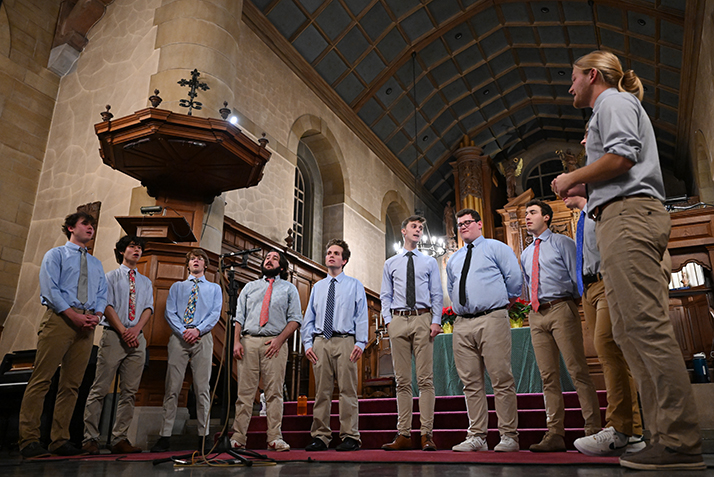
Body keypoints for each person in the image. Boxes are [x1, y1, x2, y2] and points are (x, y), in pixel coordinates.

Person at [552, 49, 704, 470]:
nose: (571, 86)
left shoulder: (613, 102)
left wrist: (572, 177)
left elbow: (622, 157)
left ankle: (679, 441)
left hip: (629, 216)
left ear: (594, 75)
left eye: (574, 77)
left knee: (646, 330)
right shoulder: (609, 105)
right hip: (617, 217)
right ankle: (661, 436)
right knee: (628, 333)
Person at [564, 133, 645, 458]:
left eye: (573, 180)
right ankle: (630, 428)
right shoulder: (581, 219)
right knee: (609, 351)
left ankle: (625, 427)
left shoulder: (600, 206)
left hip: (608, 281)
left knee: (609, 347)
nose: (566, 184)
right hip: (590, 288)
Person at [19, 211, 107, 459]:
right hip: (60, 319)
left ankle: (60, 440)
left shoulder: (96, 262)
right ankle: (28, 440)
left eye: (92, 225)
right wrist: (72, 315)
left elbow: (102, 293)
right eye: (85, 224)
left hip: (87, 323)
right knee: (42, 380)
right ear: (70, 228)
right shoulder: (56, 254)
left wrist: (97, 315)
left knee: (71, 385)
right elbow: (50, 289)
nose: (90, 228)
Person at [521, 199, 601, 452]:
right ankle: (555, 433)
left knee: (577, 371)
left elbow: (577, 275)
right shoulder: (525, 253)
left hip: (561, 308)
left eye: (532, 212)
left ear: (546, 217)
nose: (527, 217)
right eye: (525, 213)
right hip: (537, 314)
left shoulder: (562, 243)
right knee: (547, 377)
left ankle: (593, 430)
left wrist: (574, 305)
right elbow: (527, 284)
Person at [446, 209, 522, 452]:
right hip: (462, 323)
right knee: (470, 382)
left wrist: (502, 304)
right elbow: (451, 286)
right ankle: (477, 436)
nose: (463, 227)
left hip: (491, 317)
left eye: (468, 222)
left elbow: (514, 280)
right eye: (459, 224)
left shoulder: (495, 247)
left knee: (501, 378)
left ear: (479, 223)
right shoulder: (455, 258)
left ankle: (509, 436)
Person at [83, 235, 153, 455]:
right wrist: (123, 331)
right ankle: (90, 438)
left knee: (129, 392)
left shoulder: (145, 281)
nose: (137, 250)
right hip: (115, 335)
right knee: (100, 388)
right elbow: (106, 305)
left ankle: (119, 439)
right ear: (122, 251)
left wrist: (135, 330)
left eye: (140, 248)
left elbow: (148, 308)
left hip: (136, 338)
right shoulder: (110, 277)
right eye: (132, 246)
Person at [380, 215, 443, 451]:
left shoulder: (429, 263)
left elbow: (436, 294)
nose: (418, 230)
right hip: (398, 320)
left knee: (425, 380)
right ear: (403, 231)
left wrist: (435, 320)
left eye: (421, 228)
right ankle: (404, 434)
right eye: (414, 227)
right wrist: (389, 322)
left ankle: (427, 434)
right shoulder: (390, 263)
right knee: (403, 381)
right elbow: (385, 295)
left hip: (422, 319)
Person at [151, 249, 222, 453]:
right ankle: (165, 436)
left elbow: (215, 313)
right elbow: (170, 312)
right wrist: (184, 331)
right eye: (192, 259)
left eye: (199, 258)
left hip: (203, 337)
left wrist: (198, 329)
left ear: (205, 265)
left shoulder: (214, 288)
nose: (196, 261)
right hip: (179, 337)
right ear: (188, 265)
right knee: (172, 387)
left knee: (202, 388)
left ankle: (204, 436)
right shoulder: (177, 287)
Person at [230, 250, 302, 452]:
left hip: (275, 342)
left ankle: (274, 437)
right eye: (267, 258)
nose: (269, 261)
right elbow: (239, 317)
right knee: (244, 393)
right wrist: (236, 341)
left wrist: (279, 341)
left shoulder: (289, 289)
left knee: (274, 393)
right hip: (249, 341)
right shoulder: (250, 288)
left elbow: (295, 319)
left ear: (282, 266)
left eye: (275, 258)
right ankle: (238, 437)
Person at [302, 239, 368, 452]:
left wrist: (360, 341)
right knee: (322, 391)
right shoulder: (318, 287)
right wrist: (307, 343)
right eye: (329, 252)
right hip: (321, 341)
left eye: (336, 253)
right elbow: (309, 317)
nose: (331, 255)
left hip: (345, 340)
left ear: (344, 260)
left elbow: (361, 315)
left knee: (348, 391)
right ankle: (320, 436)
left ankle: (350, 436)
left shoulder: (354, 285)